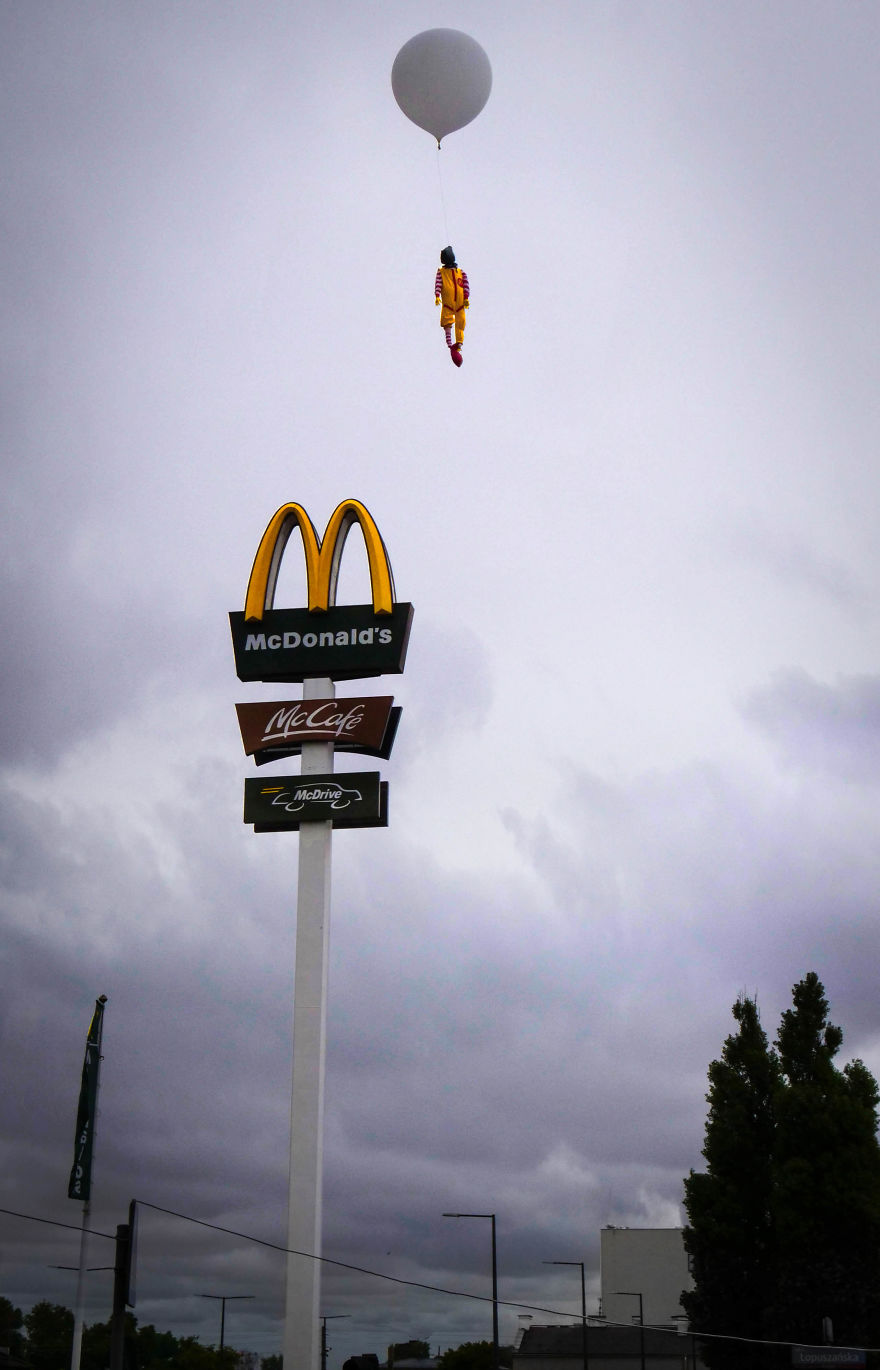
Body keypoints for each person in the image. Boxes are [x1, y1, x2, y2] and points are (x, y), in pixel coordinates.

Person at [434, 245, 469, 367]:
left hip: (460, 305)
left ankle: (458, 344)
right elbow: (438, 283)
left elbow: (466, 284)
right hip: (448, 305)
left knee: (461, 323)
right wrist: (437, 295)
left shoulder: (460, 272)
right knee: (447, 322)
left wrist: (466, 297)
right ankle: (450, 345)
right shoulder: (442, 272)